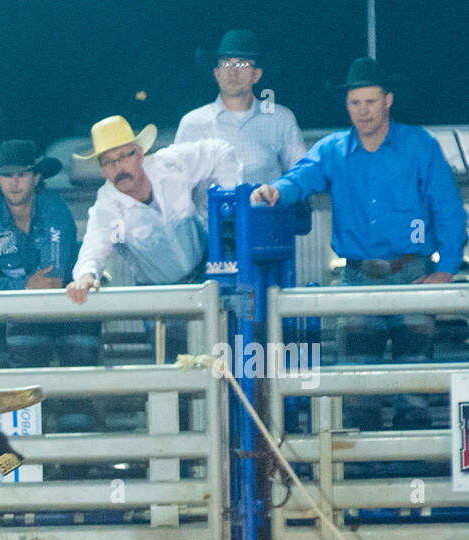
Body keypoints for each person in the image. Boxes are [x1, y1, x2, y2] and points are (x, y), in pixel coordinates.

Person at [251, 58, 466, 384]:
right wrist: (275, 191)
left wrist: (446, 269)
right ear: (347, 105)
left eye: (370, 101)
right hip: (357, 277)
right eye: (355, 103)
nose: (363, 111)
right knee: (356, 385)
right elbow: (299, 179)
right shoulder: (332, 150)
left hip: (413, 275)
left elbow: (448, 211)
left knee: (415, 383)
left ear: (388, 100)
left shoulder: (420, 145)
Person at [67, 115, 241, 301]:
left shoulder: (171, 165)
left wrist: (230, 202)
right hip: (157, 296)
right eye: (108, 162)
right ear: (102, 169)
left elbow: (220, 151)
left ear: (140, 154)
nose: (118, 168)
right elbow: (94, 244)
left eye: (123, 156)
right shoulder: (107, 205)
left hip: (208, 277)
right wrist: (86, 276)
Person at [0, 140, 98, 368]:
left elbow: (51, 279)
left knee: (81, 363)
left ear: (36, 178)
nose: (14, 182)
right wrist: (24, 287)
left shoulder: (55, 207)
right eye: (6, 175)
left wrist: (16, 287)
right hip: (22, 310)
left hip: (72, 304)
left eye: (22, 174)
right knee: (25, 372)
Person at [174, 29, 306, 186]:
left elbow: (301, 175)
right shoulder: (193, 124)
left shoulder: (280, 119)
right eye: (226, 64)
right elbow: (175, 182)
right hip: (210, 210)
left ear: (256, 75)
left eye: (242, 64)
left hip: (265, 210)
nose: (233, 72)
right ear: (216, 74)